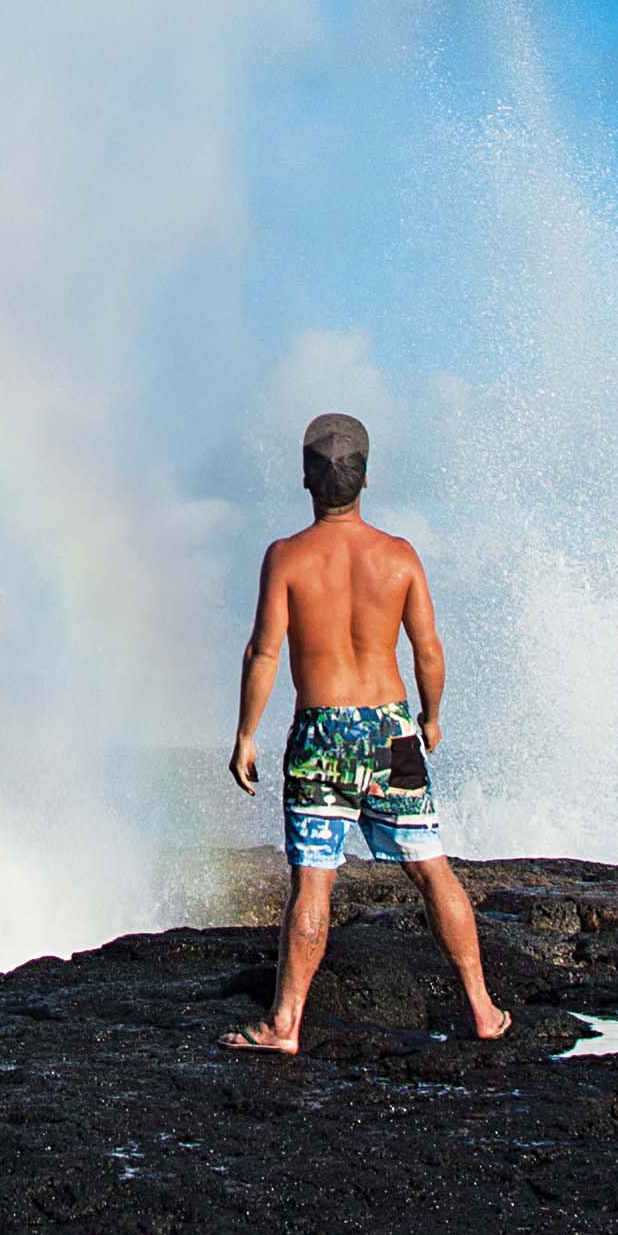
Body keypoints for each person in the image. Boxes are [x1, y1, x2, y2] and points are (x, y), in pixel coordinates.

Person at [225, 413, 510, 1050]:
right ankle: (483, 1010)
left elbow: (263, 654)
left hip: (322, 731)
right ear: (365, 478)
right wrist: (431, 717)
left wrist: (247, 734)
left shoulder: (288, 558)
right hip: (391, 729)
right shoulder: (399, 557)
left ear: (306, 479)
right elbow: (428, 651)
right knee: (433, 870)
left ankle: (285, 1021)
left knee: (313, 878)